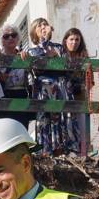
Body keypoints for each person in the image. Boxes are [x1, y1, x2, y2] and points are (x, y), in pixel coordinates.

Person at [26, 19, 71, 155]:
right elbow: (38, 67)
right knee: (45, 122)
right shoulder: (31, 51)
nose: (43, 27)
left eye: (45, 24)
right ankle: (45, 153)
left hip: (59, 90)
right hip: (43, 92)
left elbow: (66, 66)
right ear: (34, 31)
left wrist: (54, 54)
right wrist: (46, 47)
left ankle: (61, 152)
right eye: (39, 26)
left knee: (60, 122)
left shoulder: (59, 47)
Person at [62, 28, 92, 155]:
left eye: (77, 39)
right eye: (71, 39)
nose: (74, 42)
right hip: (63, 99)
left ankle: (83, 157)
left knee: (82, 133)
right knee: (66, 131)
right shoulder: (60, 56)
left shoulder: (84, 58)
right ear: (65, 40)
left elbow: (90, 83)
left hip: (80, 99)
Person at [0, 27, 33, 129]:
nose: (10, 38)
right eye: (6, 36)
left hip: (21, 95)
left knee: (22, 129)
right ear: (2, 41)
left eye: (13, 35)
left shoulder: (24, 56)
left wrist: (28, 61)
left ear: (18, 38)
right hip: (4, 96)